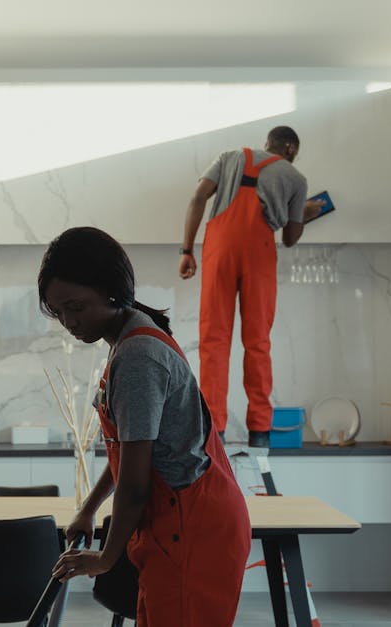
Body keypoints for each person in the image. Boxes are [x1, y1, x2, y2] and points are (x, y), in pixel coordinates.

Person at [40, 227, 251, 627]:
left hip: (193, 530)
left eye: (76, 306)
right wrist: (88, 509)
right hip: (179, 523)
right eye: (59, 311)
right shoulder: (129, 337)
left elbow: (135, 485)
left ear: (110, 290)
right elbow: (131, 451)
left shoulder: (138, 356)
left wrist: (105, 559)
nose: (68, 321)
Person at [178, 125, 324, 446]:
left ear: (266, 143)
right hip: (259, 254)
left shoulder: (229, 157)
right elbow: (289, 238)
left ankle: (213, 428)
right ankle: (259, 430)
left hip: (219, 250)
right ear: (289, 149)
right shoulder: (296, 179)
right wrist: (304, 211)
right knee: (257, 342)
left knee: (213, 340)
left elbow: (197, 197)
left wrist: (187, 250)